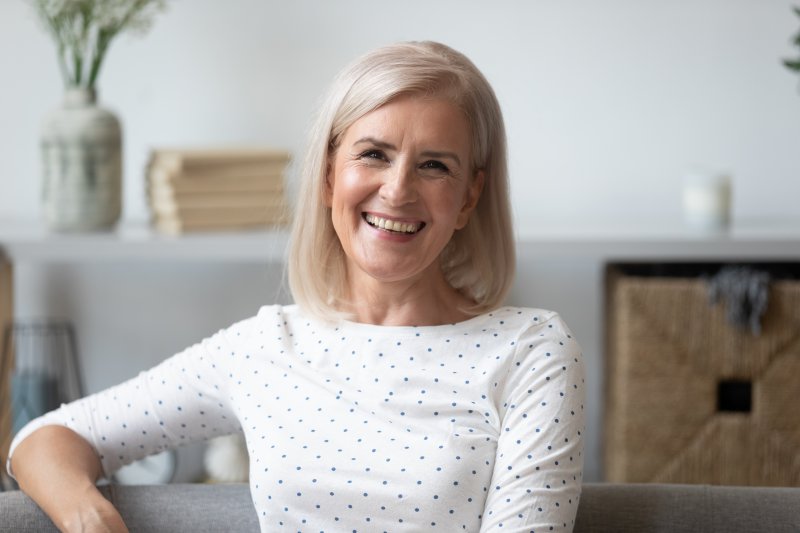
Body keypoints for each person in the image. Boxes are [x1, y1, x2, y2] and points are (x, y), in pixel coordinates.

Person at [8, 41, 585, 532]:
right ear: (330, 176)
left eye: (434, 165)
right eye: (373, 155)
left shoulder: (532, 351)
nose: (398, 189)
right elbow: (44, 439)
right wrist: (87, 514)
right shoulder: (263, 347)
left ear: (469, 198)